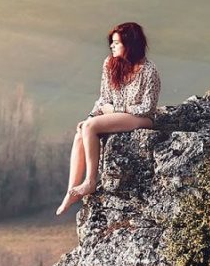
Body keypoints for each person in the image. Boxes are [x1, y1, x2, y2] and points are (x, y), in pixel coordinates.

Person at [56, 22, 161, 216]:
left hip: (141, 118)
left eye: (116, 43)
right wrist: (92, 116)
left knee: (90, 127)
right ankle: (70, 191)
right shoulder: (109, 64)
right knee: (81, 133)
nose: (112, 46)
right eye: (111, 43)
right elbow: (104, 99)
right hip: (117, 115)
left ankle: (90, 181)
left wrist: (116, 109)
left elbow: (147, 107)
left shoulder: (149, 71)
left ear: (130, 45)